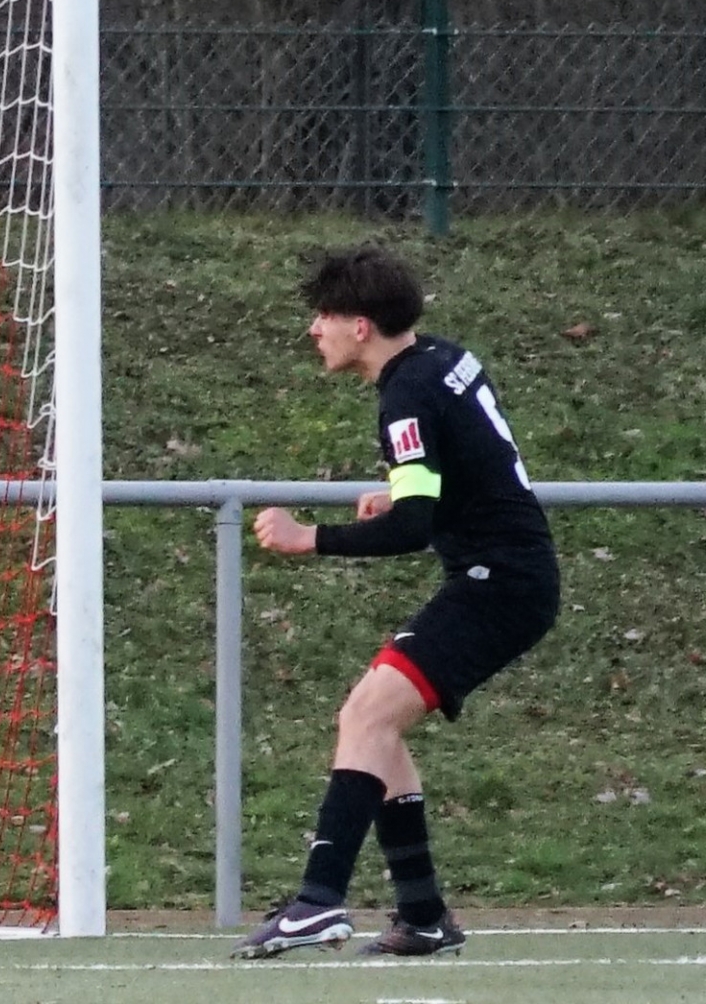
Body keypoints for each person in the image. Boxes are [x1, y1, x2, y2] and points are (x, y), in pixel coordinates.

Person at [234, 245, 559, 960]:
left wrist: (306, 538)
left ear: (361, 325)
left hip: (500, 583)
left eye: (324, 315)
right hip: (508, 574)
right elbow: (466, 465)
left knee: (365, 715)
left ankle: (319, 901)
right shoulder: (441, 358)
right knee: (374, 724)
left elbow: (412, 529)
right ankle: (423, 915)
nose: (313, 330)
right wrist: (415, 494)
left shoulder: (405, 393)